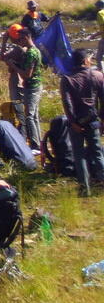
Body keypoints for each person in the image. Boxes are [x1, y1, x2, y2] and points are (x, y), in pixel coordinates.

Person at [60, 48, 104, 196]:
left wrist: (73, 122)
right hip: (93, 120)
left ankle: (85, 188)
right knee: (97, 152)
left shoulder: (67, 79)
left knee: (79, 155)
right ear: (85, 61)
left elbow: (67, 103)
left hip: (76, 122)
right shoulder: (97, 75)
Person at [7, 27, 43, 149]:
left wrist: (13, 66)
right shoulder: (35, 50)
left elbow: (27, 75)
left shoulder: (31, 53)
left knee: (29, 116)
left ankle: (35, 144)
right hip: (35, 85)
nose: (19, 42)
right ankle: (38, 141)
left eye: (21, 39)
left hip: (32, 87)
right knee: (35, 116)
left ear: (27, 37)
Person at [0, 24, 26, 103]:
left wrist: (4, 42)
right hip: (25, 79)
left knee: (17, 103)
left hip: (18, 79)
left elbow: (2, 57)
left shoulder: (18, 49)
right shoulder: (26, 47)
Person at [87, 0, 104, 71]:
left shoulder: (100, 13)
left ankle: (100, 73)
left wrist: (93, 36)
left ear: (98, 6)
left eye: (96, 6)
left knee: (98, 57)